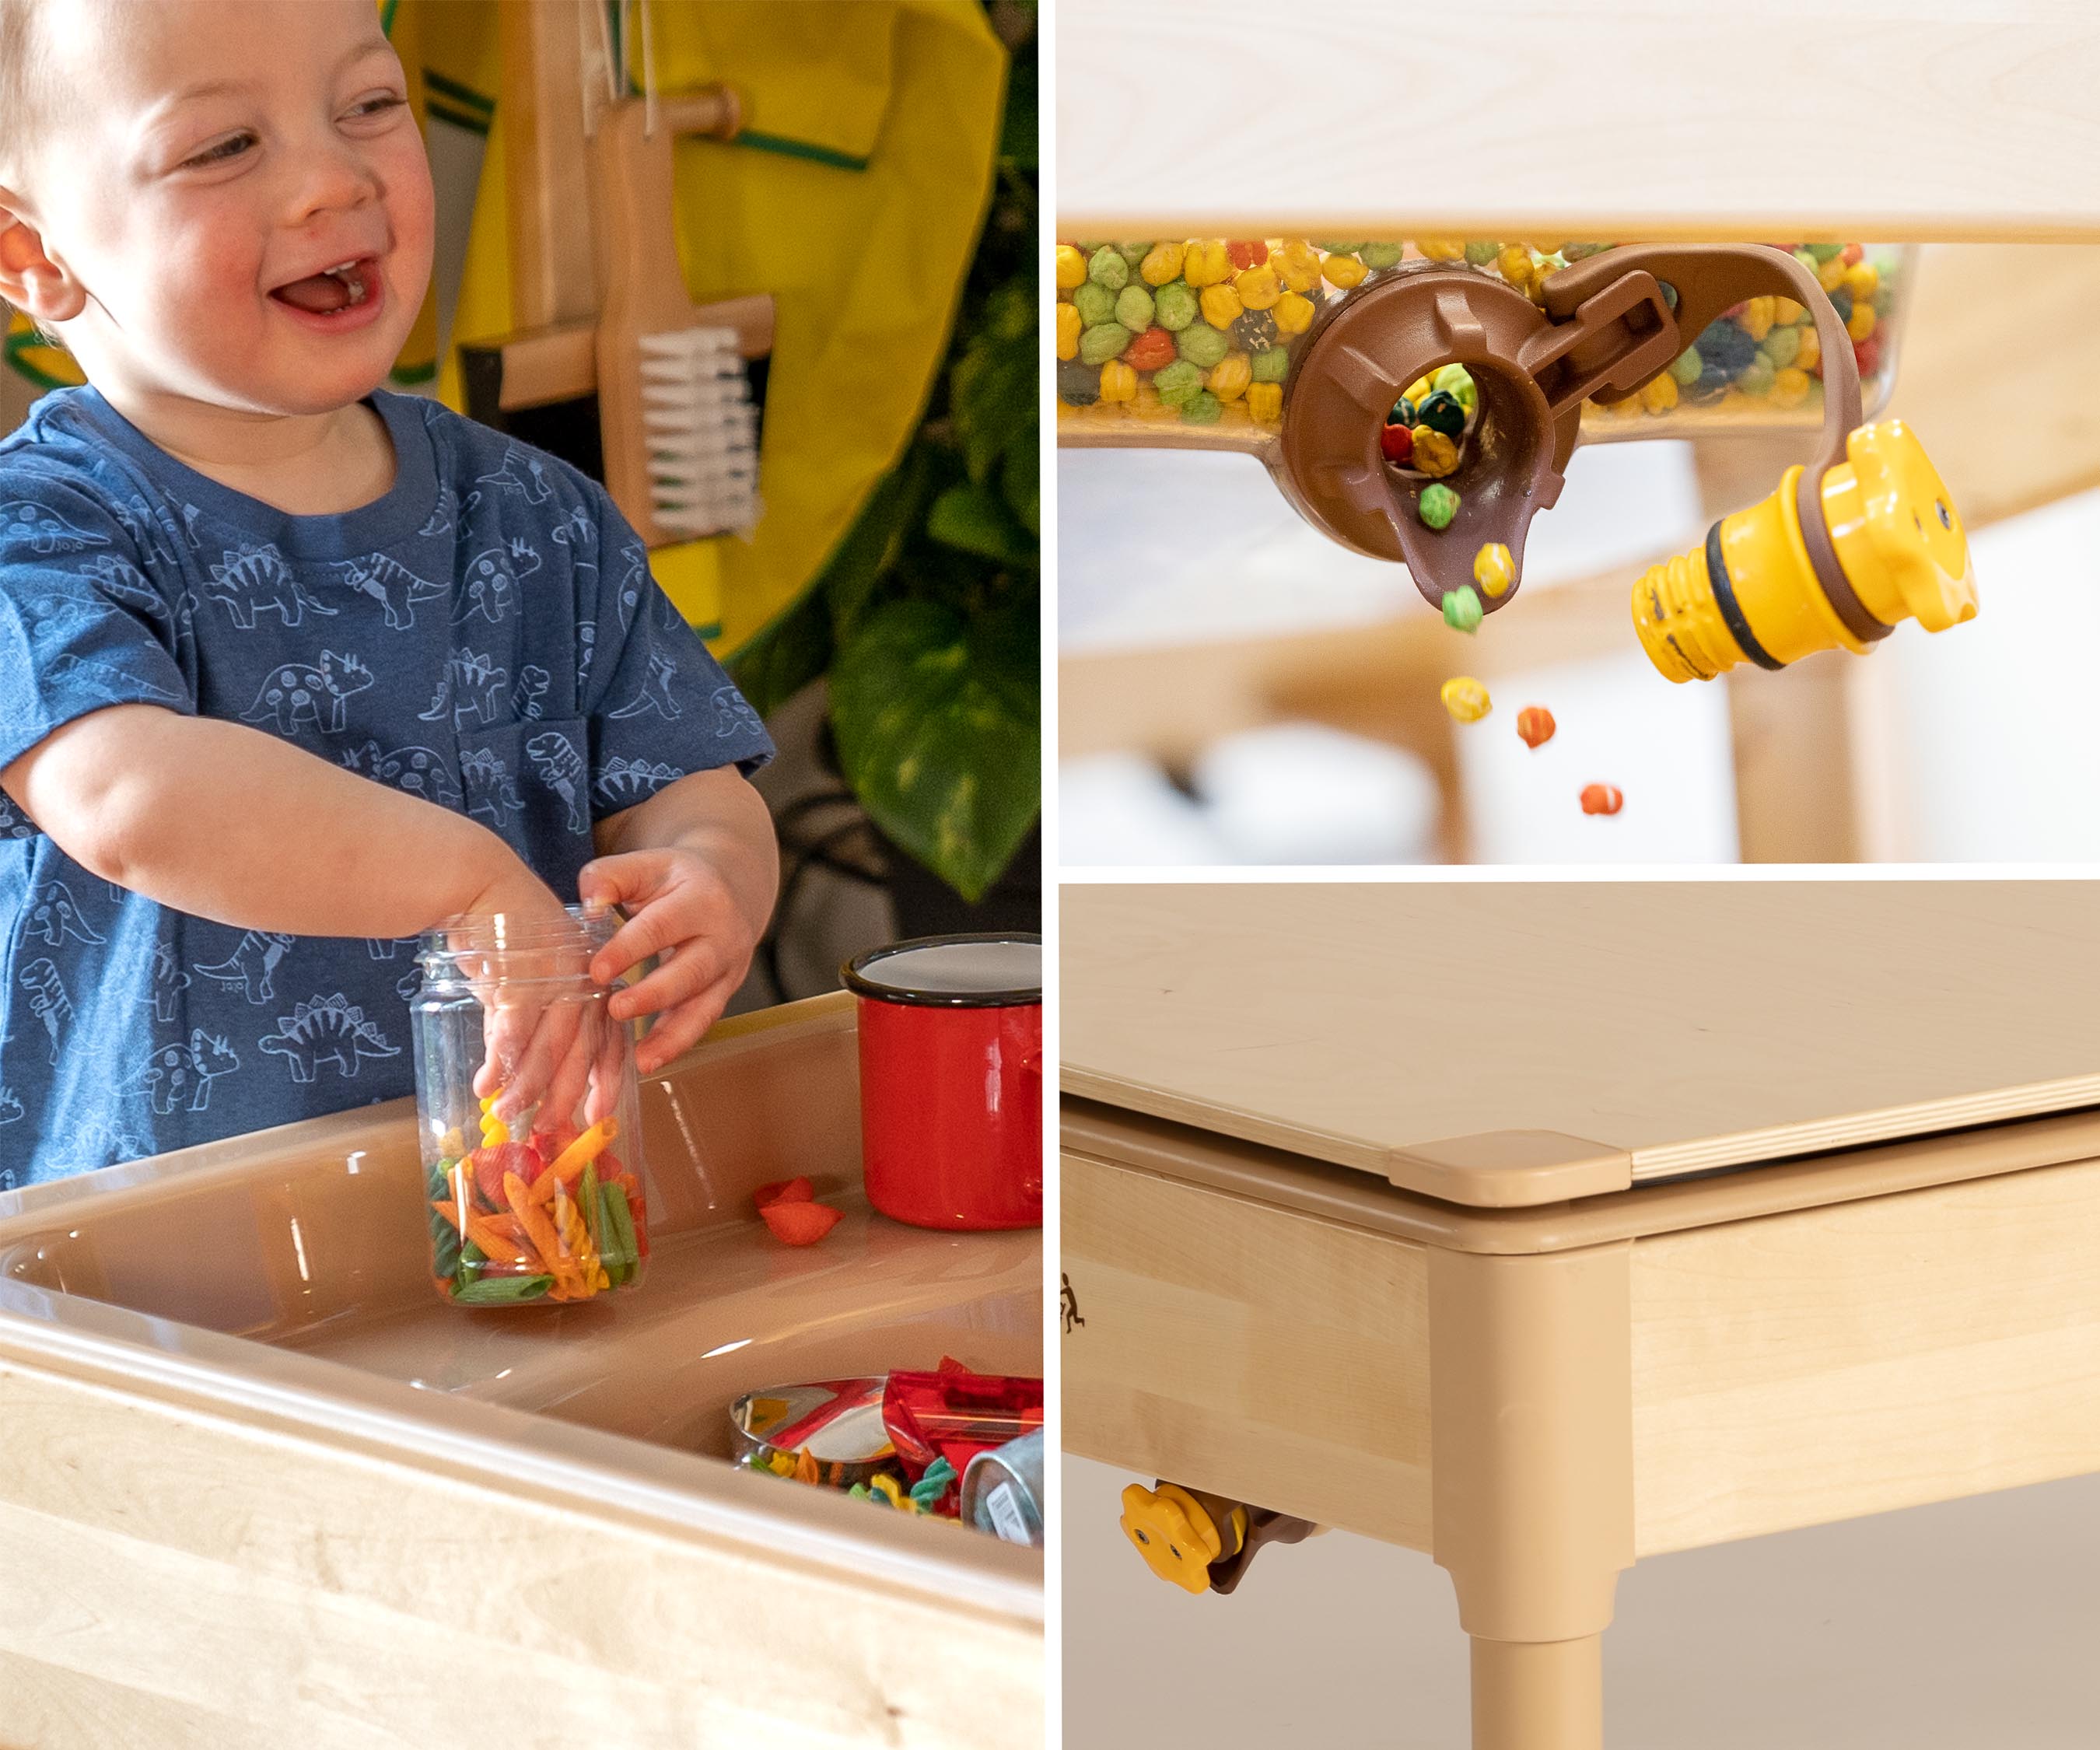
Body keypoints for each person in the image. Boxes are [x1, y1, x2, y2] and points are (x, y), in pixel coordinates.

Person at [0, 0, 779, 1185]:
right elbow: (127, 795)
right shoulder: (41, 530)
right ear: (35, 257)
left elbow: (690, 787)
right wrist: (466, 882)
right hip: (150, 1262)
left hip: (521, 1221)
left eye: (369, 104)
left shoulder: (541, 516)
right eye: (225, 146)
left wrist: (710, 877)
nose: (333, 179)